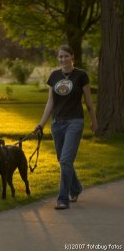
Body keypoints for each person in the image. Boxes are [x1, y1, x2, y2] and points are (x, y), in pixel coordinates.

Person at [34, 44, 98, 210]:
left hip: (74, 122)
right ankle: (76, 188)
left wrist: (94, 120)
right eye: (60, 56)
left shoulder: (81, 75)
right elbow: (51, 101)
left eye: (66, 56)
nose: (63, 59)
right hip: (57, 124)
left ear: (72, 57)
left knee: (65, 160)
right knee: (63, 161)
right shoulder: (54, 76)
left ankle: (63, 198)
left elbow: (89, 101)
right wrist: (41, 123)